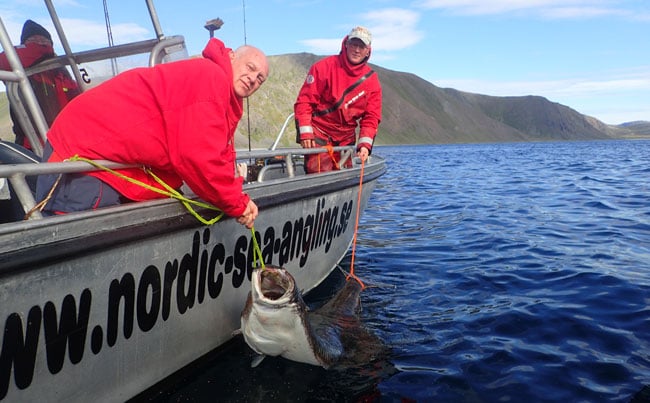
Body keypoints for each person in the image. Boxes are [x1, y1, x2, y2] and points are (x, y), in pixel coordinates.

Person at [35, 38, 268, 228]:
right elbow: (198, 155)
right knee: (83, 248)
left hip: (107, 159)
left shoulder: (220, 93)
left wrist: (236, 194)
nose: (252, 79)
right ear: (231, 57)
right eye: (250, 68)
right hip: (81, 156)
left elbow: (217, 150)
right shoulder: (211, 78)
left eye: (260, 79)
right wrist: (237, 203)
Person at [294, 26, 382, 173]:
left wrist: (365, 145)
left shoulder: (372, 81)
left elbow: (371, 117)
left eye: (362, 46)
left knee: (345, 176)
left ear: (368, 50)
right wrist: (306, 133)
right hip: (320, 134)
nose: (357, 50)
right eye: (354, 44)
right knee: (318, 176)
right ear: (346, 43)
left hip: (346, 140)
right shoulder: (323, 67)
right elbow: (305, 102)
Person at [0, 20, 79, 150]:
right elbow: (3, 60)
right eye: (34, 40)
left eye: (45, 40)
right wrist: (44, 49)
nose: (41, 43)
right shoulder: (18, 69)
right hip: (33, 146)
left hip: (67, 142)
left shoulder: (62, 73)